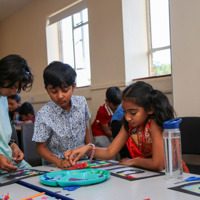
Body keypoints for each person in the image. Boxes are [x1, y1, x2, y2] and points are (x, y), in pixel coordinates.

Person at [64, 81, 176, 171]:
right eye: (125, 112)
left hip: (170, 174)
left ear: (150, 109)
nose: (127, 117)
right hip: (148, 174)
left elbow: (157, 164)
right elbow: (109, 152)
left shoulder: (155, 123)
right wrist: (88, 149)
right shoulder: (129, 124)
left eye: (133, 113)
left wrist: (134, 161)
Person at [32, 61, 92, 169]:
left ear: (73, 87)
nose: (60, 96)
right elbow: (41, 147)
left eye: (65, 90)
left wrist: (89, 149)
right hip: (54, 165)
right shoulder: (43, 114)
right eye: (54, 91)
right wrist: (60, 162)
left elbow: (84, 127)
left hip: (81, 161)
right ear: (46, 89)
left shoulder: (81, 102)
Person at [0, 54, 34, 171]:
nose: (14, 92)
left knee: (37, 177)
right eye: (12, 86)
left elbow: (2, 135)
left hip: (9, 159)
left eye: (17, 88)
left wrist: (13, 146)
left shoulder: (4, 98)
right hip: (2, 162)